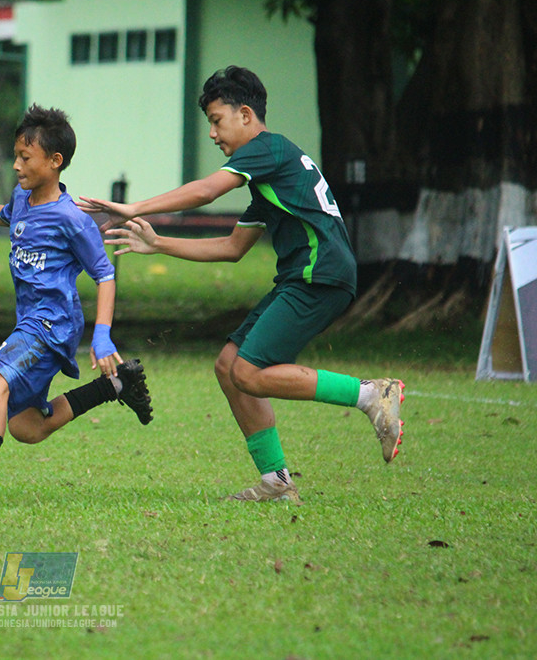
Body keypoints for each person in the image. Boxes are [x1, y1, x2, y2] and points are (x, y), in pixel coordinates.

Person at [78, 66, 404, 504]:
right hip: (307, 276)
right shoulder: (270, 175)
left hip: (318, 273)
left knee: (248, 372)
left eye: (217, 120)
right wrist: (158, 244)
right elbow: (232, 248)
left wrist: (138, 206)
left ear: (246, 115)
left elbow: (206, 192)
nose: (213, 134)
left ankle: (370, 395)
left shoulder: (267, 150)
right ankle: (276, 481)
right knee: (228, 364)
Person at [0, 104, 153, 507]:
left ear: (55, 161)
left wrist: (101, 335)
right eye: (15, 156)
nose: (16, 165)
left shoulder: (72, 220)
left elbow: (105, 274)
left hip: (52, 325)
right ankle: (116, 385)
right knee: (27, 427)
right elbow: (5, 216)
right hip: (32, 323)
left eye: (24, 157)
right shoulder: (23, 199)